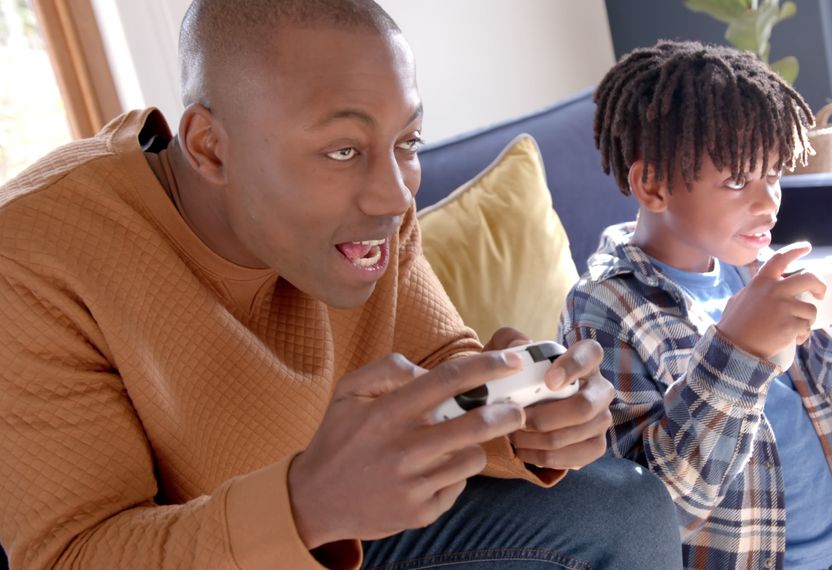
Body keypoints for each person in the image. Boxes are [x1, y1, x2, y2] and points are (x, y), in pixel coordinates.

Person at [0, 1, 684, 569]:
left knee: (623, 508)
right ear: (209, 146)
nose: (394, 196)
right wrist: (304, 506)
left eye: (408, 143)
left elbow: (436, 368)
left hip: (356, 528)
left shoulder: (377, 218)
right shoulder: (33, 260)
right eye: (343, 151)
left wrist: (519, 416)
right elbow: (72, 554)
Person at [558, 40, 832, 569]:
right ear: (652, 184)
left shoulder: (765, 271)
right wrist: (738, 352)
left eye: (774, 174)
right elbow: (656, 514)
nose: (769, 203)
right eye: (738, 181)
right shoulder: (603, 309)